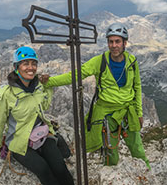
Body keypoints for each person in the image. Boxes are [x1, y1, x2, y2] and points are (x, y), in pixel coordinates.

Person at [43, 23, 149, 168]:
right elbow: (75, 75)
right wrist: (48, 82)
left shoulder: (132, 62)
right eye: (110, 41)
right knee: (111, 153)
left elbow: (137, 87)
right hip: (107, 114)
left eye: (117, 41)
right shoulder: (100, 61)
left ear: (125, 43)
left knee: (138, 149)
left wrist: (139, 113)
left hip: (128, 112)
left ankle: (147, 174)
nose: (114, 45)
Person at [0, 46, 74, 185]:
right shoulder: (7, 93)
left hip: (41, 134)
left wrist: (48, 87)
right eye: (25, 63)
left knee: (60, 168)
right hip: (19, 141)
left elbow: (44, 106)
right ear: (16, 67)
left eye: (33, 63)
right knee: (43, 170)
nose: (31, 67)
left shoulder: (38, 86)